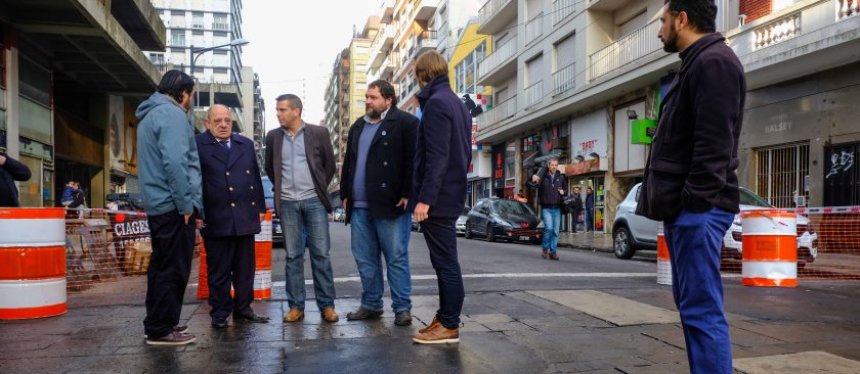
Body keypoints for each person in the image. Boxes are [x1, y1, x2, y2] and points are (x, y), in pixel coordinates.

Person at [635, 0, 746, 372]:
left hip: (699, 211)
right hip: (690, 210)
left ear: (682, 19)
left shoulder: (713, 63)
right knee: (693, 308)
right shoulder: (699, 63)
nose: (658, 30)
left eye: (663, 21)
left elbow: (714, 145)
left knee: (701, 311)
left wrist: (693, 204)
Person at [340, 80, 418, 327]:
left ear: (388, 100)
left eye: (373, 97)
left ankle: (402, 308)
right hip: (360, 206)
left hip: (391, 203)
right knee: (365, 259)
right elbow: (349, 163)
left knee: (395, 257)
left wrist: (408, 192)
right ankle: (372, 304)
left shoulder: (405, 123)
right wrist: (345, 193)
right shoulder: (357, 127)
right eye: (367, 97)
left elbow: (414, 162)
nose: (368, 101)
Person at [409, 50, 471, 345]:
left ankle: (449, 325)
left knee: (445, 263)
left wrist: (425, 199)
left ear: (423, 74)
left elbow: (437, 157)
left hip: (439, 198)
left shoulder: (435, 104)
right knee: (446, 261)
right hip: (452, 192)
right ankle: (445, 316)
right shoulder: (457, 103)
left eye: (416, 77)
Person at [136, 70, 202, 346]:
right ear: (183, 93)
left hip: (159, 204)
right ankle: (162, 329)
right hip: (173, 206)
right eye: (191, 95)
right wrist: (186, 203)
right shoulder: (172, 114)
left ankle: (158, 323)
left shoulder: (150, 114)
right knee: (173, 269)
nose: (190, 101)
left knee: (161, 266)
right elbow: (175, 163)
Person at [264, 94, 339, 324]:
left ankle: (327, 306)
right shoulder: (273, 137)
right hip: (287, 203)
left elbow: (330, 166)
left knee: (321, 254)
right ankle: (296, 306)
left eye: (282, 110)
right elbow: (270, 168)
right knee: (293, 256)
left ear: (296, 111)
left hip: (314, 201)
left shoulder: (318, 133)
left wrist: (317, 187)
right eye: (277, 110)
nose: (278, 114)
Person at [195, 104, 269, 328]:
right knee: (219, 270)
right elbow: (193, 180)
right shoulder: (198, 144)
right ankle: (220, 311)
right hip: (216, 216)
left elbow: (255, 177)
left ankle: (243, 308)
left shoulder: (244, 144)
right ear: (207, 123)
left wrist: (259, 209)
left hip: (244, 215)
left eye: (227, 120)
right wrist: (197, 211)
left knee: (245, 268)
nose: (224, 124)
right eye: (217, 121)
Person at [530, 159, 567, 260]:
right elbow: (532, 184)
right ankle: (545, 249)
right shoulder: (542, 176)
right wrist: (533, 178)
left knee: (555, 231)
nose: (554, 167)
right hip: (546, 208)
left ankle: (553, 252)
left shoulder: (561, 177)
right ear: (548, 166)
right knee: (549, 229)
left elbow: (565, 190)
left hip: (557, 208)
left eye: (556, 165)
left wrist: (563, 192)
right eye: (552, 165)